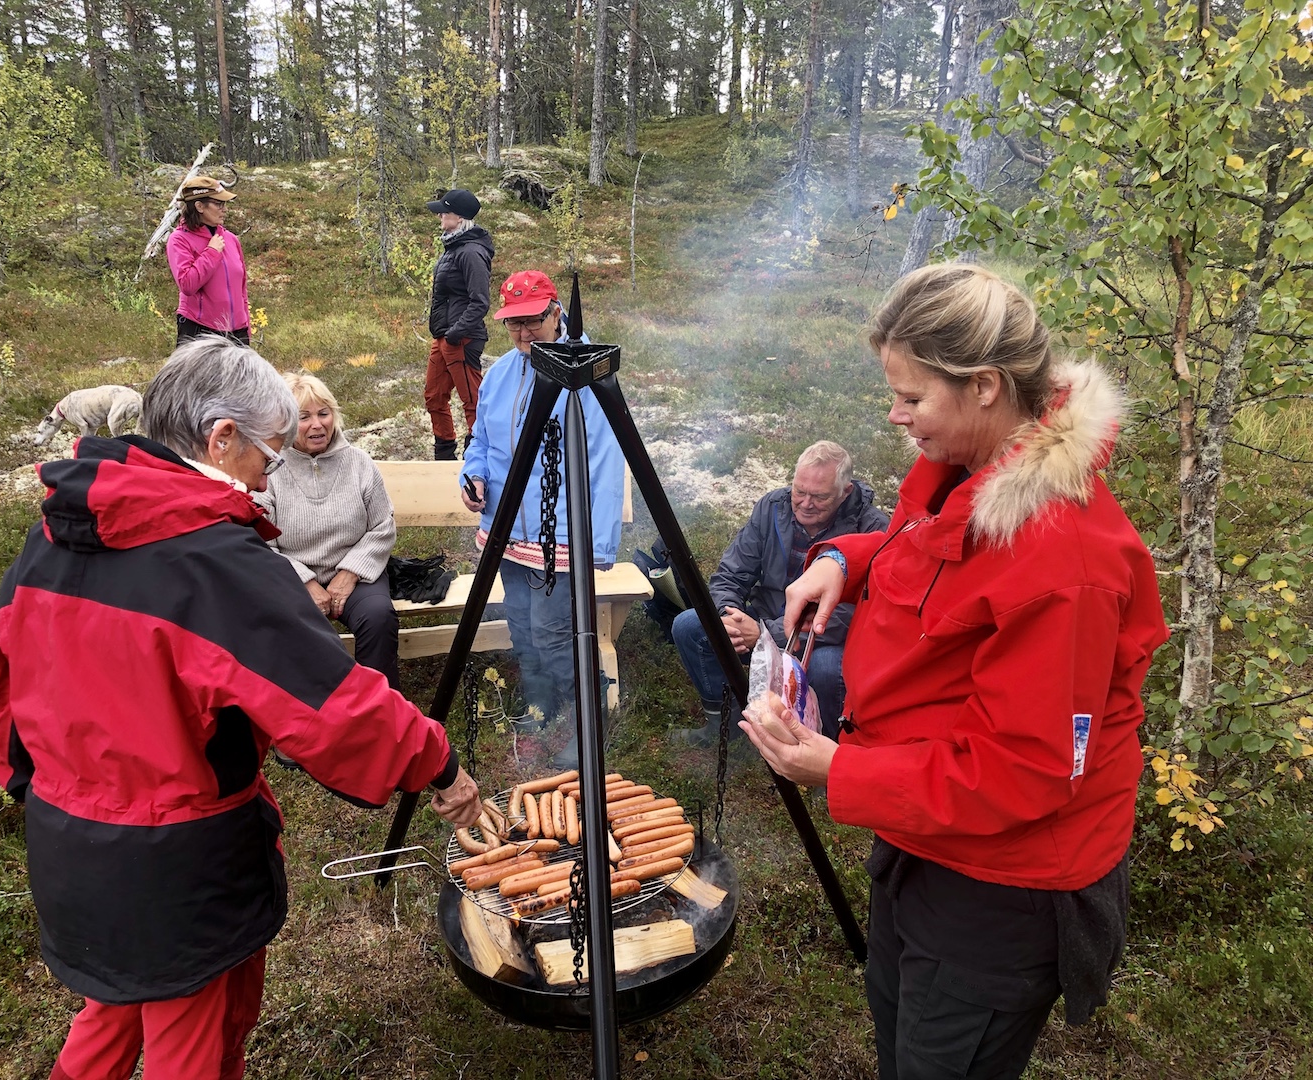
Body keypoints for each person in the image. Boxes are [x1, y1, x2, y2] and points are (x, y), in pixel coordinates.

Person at [0, 336, 480, 1080]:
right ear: (220, 438)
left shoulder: (55, 534)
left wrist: (33, 789)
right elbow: (337, 709)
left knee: (110, 1015)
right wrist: (439, 766)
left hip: (67, 844)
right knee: (196, 1043)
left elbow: (3, 685)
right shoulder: (215, 562)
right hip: (180, 865)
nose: (268, 474)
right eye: (267, 454)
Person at [741, 263, 1169, 1080]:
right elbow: (931, 553)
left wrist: (839, 769)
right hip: (924, 831)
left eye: (911, 397)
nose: (896, 416)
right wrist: (844, 559)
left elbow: (1028, 771)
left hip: (1002, 884)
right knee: (899, 1029)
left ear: (983, 385)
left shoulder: (1063, 561)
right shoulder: (972, 466)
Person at [459, 270, 625, 769]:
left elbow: (604, 460)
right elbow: (482, 441)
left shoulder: (586, 374)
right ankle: (540, 700)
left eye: (532, 321)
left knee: (555, 631)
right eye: (514, 325)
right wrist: (474, 475)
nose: (523, 334)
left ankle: (588, 716)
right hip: (507, 526)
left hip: (561, 531)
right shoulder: (503, 373)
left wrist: (593, 543)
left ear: (557, 312)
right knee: (521, 624)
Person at [669, 441, 889, 746]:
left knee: (828, 669)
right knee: (691, 627)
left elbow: (853, 614)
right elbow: (731, 573)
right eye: (799, 491)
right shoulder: (773, 507)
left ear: (845, 492)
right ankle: (727, 727)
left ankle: (825, 750)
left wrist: (764, 635)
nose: (805, 503)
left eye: (819, 496)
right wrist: (728, 616)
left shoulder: (874, 529)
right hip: (765, 619)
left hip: (824, 638)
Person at [254, 371, 401, 691]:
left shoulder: (359, 463)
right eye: (304, 417)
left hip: (355, 573)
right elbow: (258, 542)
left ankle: (381, 710)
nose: (317, 424)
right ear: (286, 423)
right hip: (291, 577)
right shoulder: (268, 470)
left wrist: (348, 574)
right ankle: (314, 716)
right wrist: (305, 581)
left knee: (378, 617)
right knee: (294, 624)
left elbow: (382, 526)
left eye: (324, 413)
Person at [424, 188, 494, 460]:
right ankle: (444, 454)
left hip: (461, 339)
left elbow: (480, 302)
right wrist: (443, 336)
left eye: (444, 210)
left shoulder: (471, 252)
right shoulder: (453, 247)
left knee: (473, 402)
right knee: (434, 397)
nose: (440, 214)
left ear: (459, 217)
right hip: (444, 338)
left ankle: (476, 458)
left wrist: (455, 335)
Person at [167, 175, 251, 345]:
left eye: (224, 204)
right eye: (219, 204)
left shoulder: (231, 239)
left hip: (237, 333)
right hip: (200, 332)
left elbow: (242, 291)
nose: (224, 209)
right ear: (199, 206)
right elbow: (187, 284)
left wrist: (245, 328)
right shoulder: (179, 239)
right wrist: (211, 252)